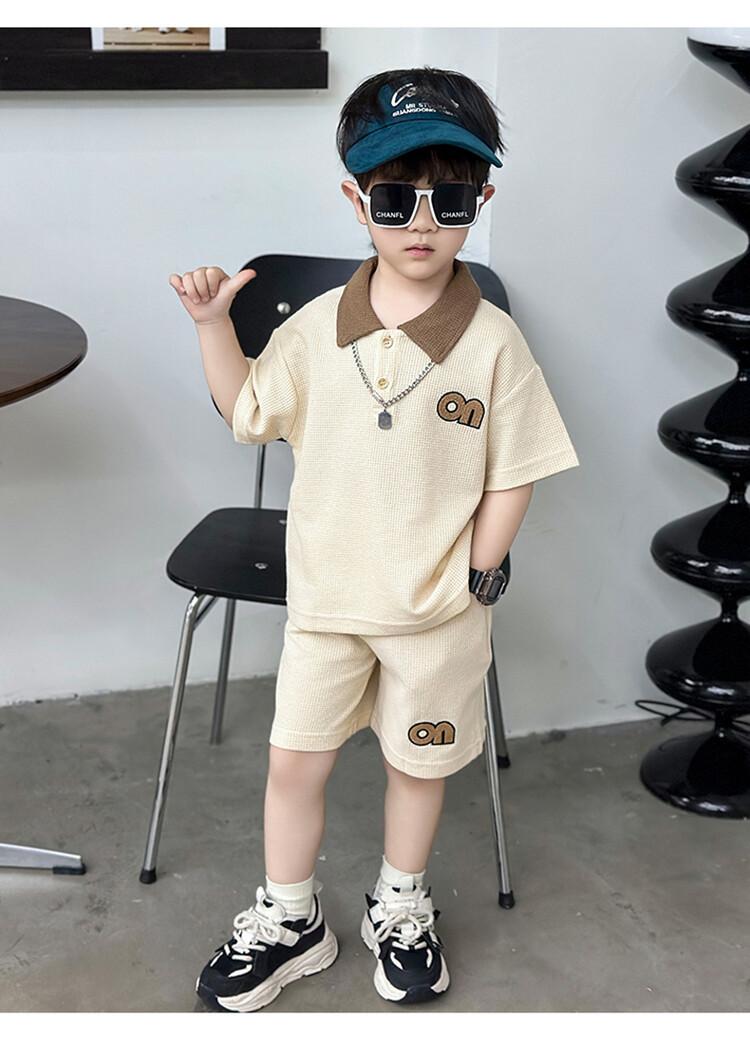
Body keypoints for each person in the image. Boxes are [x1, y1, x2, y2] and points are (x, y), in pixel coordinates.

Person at [168, 66, 580, 1013]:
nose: (421, 221)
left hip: (436, 611)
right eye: (396, 198)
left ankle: (401, 902)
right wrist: (213, 326)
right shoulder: (315, 329)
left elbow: (516, 466)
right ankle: (290, 916)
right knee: (294, 760)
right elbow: (247, 409)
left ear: (482, 201)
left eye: (450, 199)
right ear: (357, 202)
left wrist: (478, 570)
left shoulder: (495, 343)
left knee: (417, 765)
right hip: (327, 602)